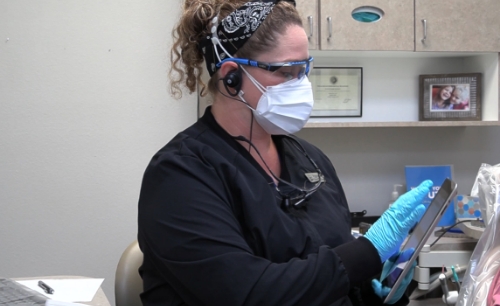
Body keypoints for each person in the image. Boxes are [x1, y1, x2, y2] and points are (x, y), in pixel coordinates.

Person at [137, 1, 432, 305]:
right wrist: (366, 252)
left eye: (305, 69)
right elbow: (248, 293)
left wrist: (376, 287)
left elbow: (333, 280)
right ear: (231, 78)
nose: (301, 85)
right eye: (286, 71)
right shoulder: (179, 175)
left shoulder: (311, 160)